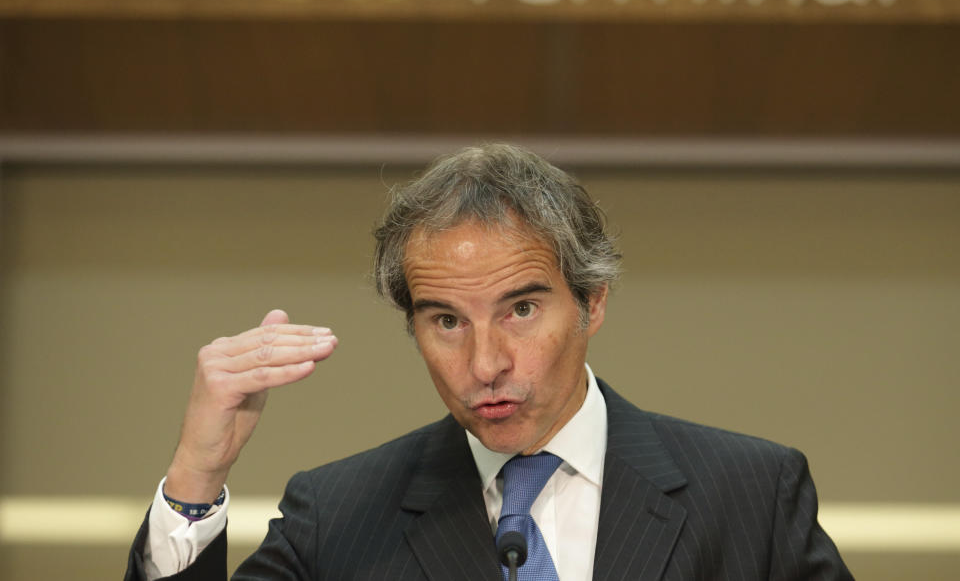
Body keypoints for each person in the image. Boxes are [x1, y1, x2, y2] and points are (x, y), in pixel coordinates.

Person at [125, 144, 852, 580]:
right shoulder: (339, 517)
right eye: (446, 321)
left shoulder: (752, 496)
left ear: (593, 302)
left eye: (522, 310)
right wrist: (197, 475)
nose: (485, 363)